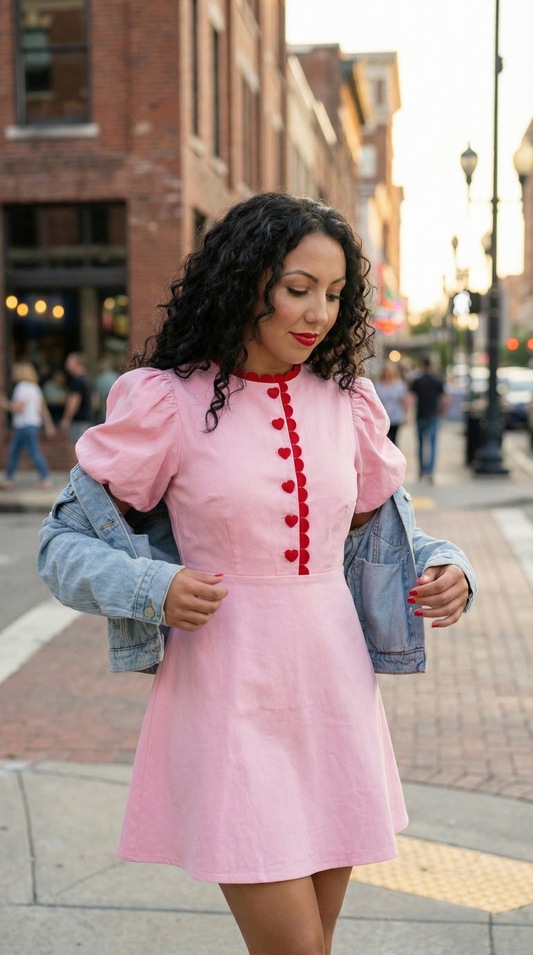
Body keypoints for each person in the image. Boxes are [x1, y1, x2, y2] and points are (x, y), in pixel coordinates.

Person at [38, 195, 474, 955]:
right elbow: (62, 542)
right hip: (228, 694)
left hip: (334, 693)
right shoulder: (167, 401)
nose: (318, 314)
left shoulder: (349, 402)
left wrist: (447, 565)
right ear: (246, 282)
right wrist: (151, 589)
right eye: (298, 288)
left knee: (315, 945)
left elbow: (383, 533)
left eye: (334, 294)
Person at [0, 362, 55, 489]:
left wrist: (5, 404)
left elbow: (19, 408)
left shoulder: (21, 387)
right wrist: (48, 424)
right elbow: (42, 408)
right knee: (18, 451)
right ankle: (9, 479)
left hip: (23, 425)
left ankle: (45, 478)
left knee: (26, 451)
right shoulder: (35, 388)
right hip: (33, 424)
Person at [410, 357, 448, 481]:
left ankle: (421, 471)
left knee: (421, 444)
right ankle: (430, 471)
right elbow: (444, 399)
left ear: (422, 366)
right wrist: (442, 411)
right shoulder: (437, 381)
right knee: (432, 444)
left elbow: (411, 398)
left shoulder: (417, 381)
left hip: (420, 415)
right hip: (433, 415)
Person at [60, 352, 93, 447]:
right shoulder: (87, 379)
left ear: (78, 364)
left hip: (78, 421)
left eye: (70, 362)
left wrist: (66, 418)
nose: (67, 364)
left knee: (75, 448)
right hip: (87, 419)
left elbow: (74, 401)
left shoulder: (77, 381)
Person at [374, 362, 410, 445]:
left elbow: (404, 400)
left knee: (394, 440)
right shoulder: (378, 386)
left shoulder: (399, 385)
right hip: (382, 417)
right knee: (383, 440)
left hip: (395, 416)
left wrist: (406, 415)